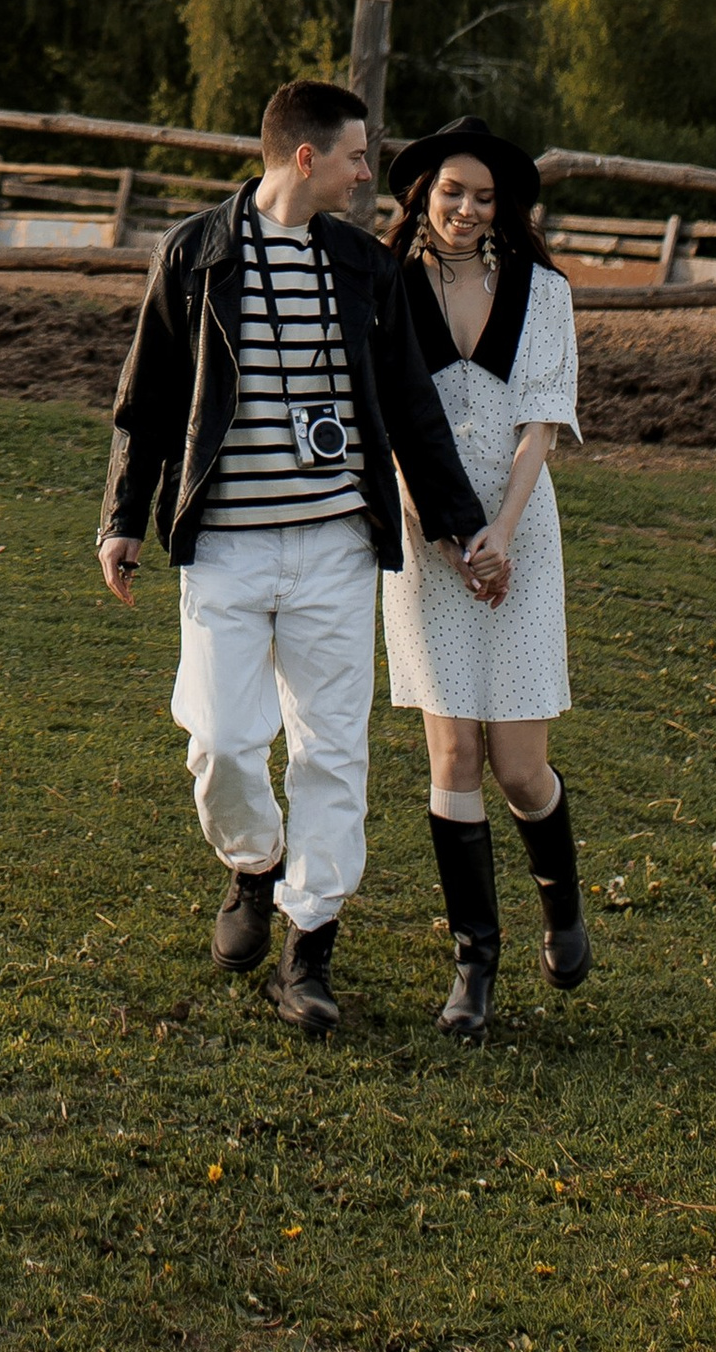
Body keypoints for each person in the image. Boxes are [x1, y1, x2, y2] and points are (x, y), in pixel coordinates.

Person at [99, 80, 504, 1036]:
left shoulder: (365, 267)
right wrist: (122, 516)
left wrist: (459, 525)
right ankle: (254, 863)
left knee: (332, 750)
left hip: (334, 547)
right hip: (226, 547)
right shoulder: (195, 253)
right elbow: (148, 398)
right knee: (221, 743)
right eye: (359, 157)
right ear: (307, 157)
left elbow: (410, 406)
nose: (369, 175)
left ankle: (308, 947)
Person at [381, 117, 590, 1040]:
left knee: (518, 766)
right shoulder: (387, 286)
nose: (466, 209)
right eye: (452, 192)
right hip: (426, 538)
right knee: (453, 757)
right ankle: (474, 964)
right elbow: (384, 416)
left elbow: (541, 423)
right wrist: (434, 526)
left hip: (518, 537)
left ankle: (562, 903)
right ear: (423, 193)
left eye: (484, 197)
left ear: (504, 209)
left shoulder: (545, 293)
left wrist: (499, 532)